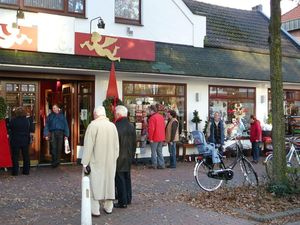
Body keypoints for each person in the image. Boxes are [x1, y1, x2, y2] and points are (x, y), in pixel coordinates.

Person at [81, 106, 119, 216]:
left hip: (96, 160)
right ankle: (109, 206)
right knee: (109, 183)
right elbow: (117, 146)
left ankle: (95, 209)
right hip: (110, 161)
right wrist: (113, 158)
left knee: (94, 185)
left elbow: (88, 146)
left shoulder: (93, 126)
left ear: (95, 114)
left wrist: (85, 162)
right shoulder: (112, 126)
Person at [114, 105, 136, 208]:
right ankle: (128, 198)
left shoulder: (115, 126)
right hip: (128, 155)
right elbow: (134, 143)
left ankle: (122, 201)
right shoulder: (131, 126)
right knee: (127, 177)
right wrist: (132, 155)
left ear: (118, 114)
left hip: (118, 156)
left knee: (119, 178)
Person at [9, 107, 34, 176]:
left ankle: (15, 172)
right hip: (25, 140)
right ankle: (26, 171)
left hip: (15, 140)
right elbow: (32, 129)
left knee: (15, 156)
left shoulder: (13, 120)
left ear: (16, 113)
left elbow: (10, 127)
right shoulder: (28, 120)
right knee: (26, 156)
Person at [43, 104, 69, 168]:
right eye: (53, 108)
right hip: (53, 133)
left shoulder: (62, 116)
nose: (54, 109)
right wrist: (46, 134)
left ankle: (58, 161)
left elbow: (66, 125)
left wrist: (66, 135)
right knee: (53, 148)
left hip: (60, 133)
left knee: (59, 148)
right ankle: (54, 161)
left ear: (58, 108)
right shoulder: (50, 116)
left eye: (55, 108)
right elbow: (47, 125)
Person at [148, 104, 166, 169]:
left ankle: (154, 164)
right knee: (159, 151)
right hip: (161, 137)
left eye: (149, 110)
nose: (149, 112)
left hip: (154, 137)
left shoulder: (152, 118)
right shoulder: (161, 116)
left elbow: (151, 129)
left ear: (152, 110)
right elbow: (164, 127)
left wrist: (150, 138)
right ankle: (161, 164)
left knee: (153, 152)